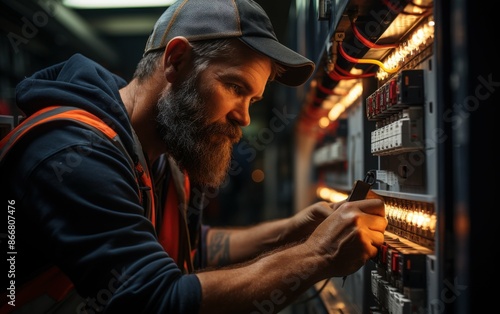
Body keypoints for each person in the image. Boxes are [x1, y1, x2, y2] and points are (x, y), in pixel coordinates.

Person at [0, 0, 387, 313]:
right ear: (176, 60)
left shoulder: (162, 156)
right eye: (235, 86)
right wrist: (318, 253)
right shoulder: (74, 152)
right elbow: (155, 299)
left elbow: (190, 245)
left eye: (253, 100)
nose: (244, 116)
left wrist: (292, 231)